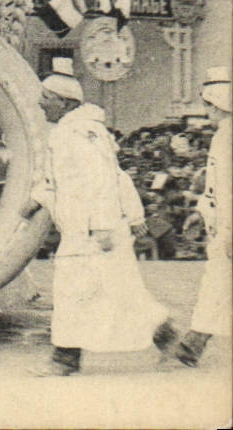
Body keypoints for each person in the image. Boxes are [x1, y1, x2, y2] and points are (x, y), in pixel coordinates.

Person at [27, 63, 183, 375]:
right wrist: (35, 202)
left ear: (66, 102)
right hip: (85, 229)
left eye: (47, 97)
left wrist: (101, 227)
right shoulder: (70, 131)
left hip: (94, 232)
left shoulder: (78, 132)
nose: (40, 103)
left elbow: (101, 178)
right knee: (118, 292)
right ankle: (167, 339)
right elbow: (66, 181)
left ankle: (64, 360)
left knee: (77, 292)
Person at [174, 70, 231, 367]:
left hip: (228, 228)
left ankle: (194, 342)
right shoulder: (222, 136)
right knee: (219, 282)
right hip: (221, 224)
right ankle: (194, 342)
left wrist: (230, 232)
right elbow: (214, 187)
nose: (207, 111)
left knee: (218, 281)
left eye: (209, 105)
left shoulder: (227, 137)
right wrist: (200, 212)